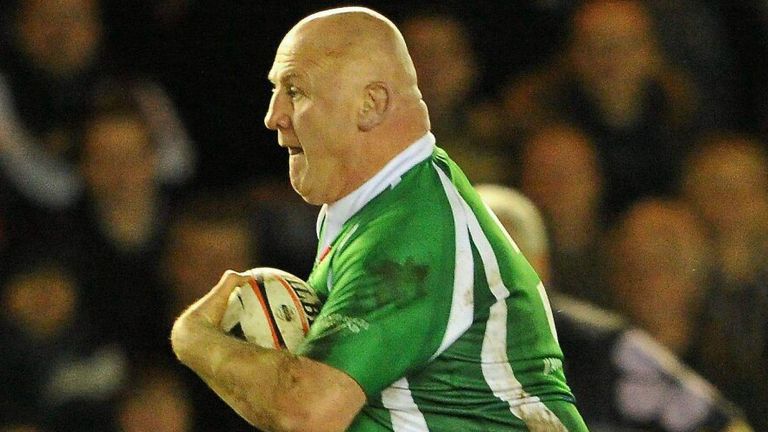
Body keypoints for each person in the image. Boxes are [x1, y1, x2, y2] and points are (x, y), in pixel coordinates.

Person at [171, 7, 587, 432]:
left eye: (295, 91)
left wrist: (193, 337)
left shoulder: (411, 231)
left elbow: (307, 412)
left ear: (371, 105)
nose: (273, 116)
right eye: (276, 90)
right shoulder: (384, 208)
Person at [475, 184, 754, 432]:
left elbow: (724, 425)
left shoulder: (601, 346)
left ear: (540, 266)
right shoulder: (434, 347)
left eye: (506, 259)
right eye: (470, 257)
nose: (490, 277)